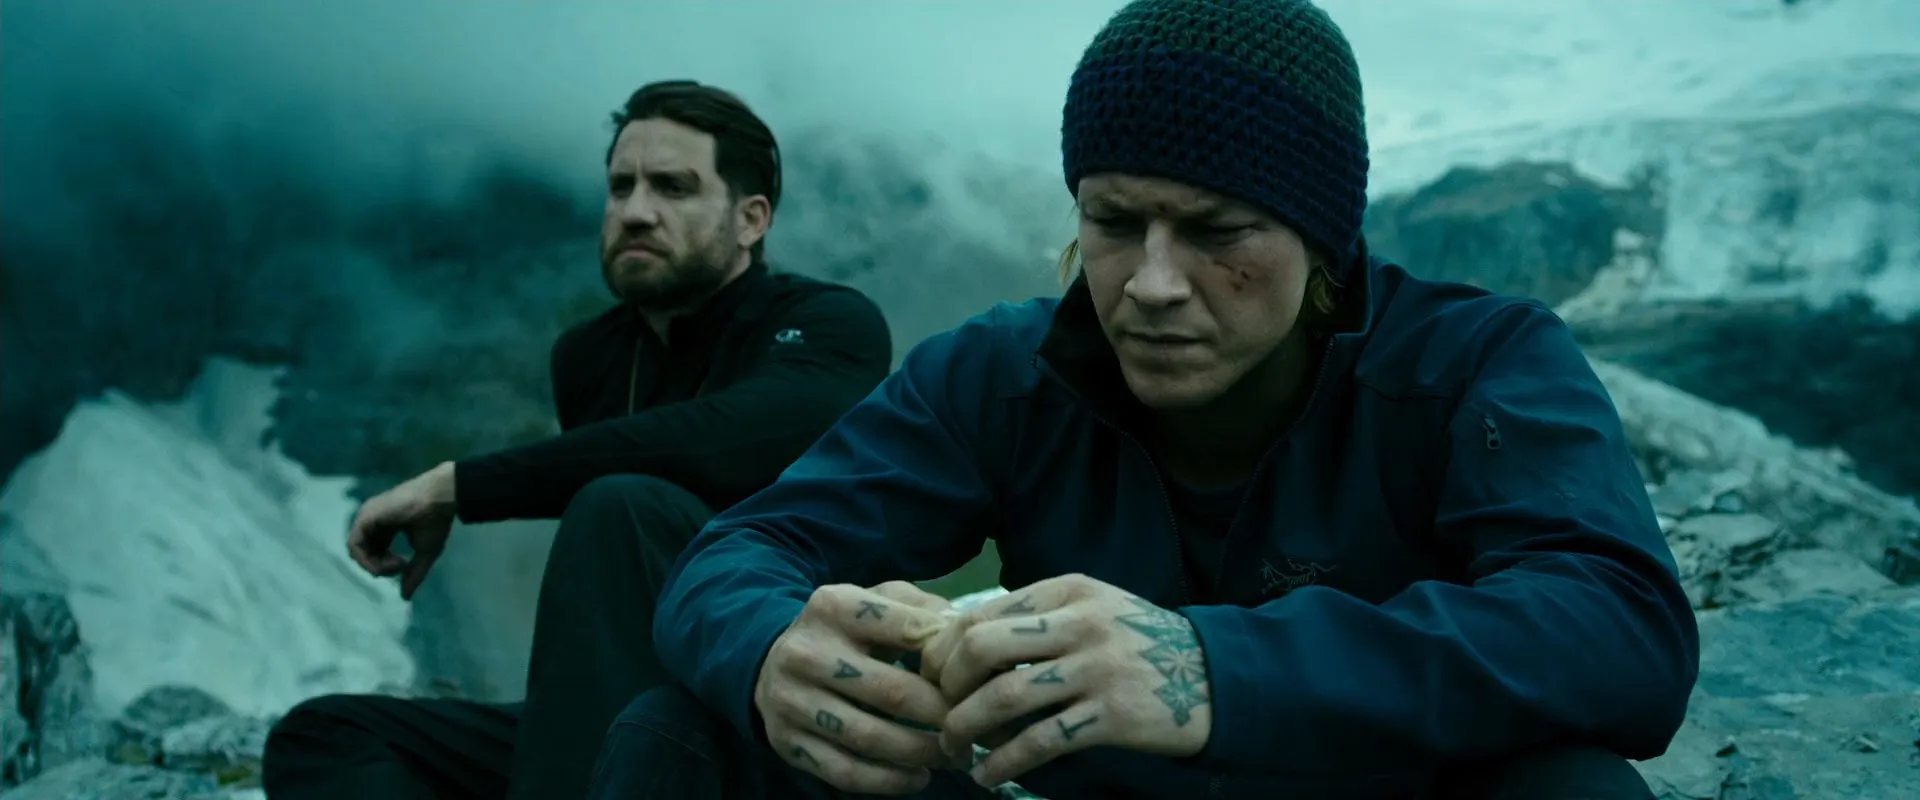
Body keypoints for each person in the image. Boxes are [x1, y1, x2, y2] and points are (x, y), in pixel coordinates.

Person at [586, 2, 1701, 798]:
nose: (1152, 284)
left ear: (1324, 241)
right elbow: (743, 548)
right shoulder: (1003, 370)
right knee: (684, 729)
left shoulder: (1475, 360)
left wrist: (1208, 668)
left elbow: (1622, 630)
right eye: (1114, 222)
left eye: (1219, 231)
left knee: (1575, 786)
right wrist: (771, 650)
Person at [261, 80, 894, 800]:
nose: (636, 211)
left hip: (779, 717)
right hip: (618, 715)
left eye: (672, 187)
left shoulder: (830, 325)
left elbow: (732, 439)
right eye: (621, 187)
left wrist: (461, 487)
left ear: (750, 219)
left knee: (621, 505)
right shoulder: (590, 358)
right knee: (327, 737)